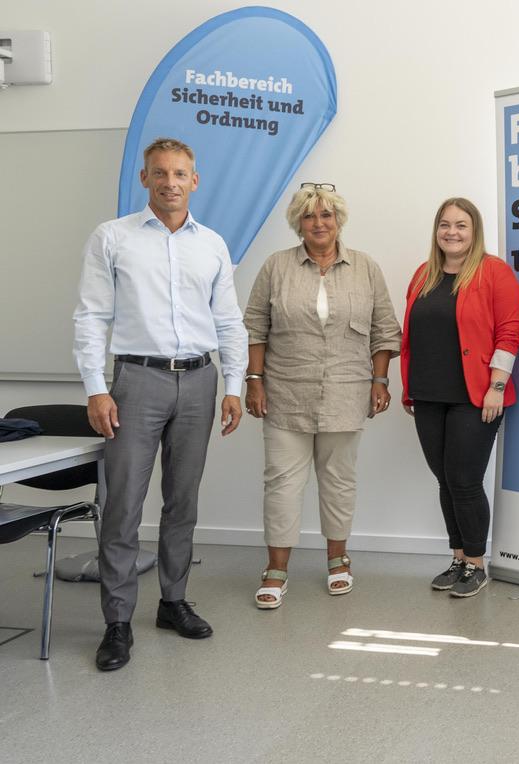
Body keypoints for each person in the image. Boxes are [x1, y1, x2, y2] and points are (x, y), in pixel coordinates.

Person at [73, 137, 248, 671]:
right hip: (136, 381)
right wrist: (95, 387)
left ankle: (172, 602)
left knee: (183, 501)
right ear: (145, 179)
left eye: (180, 173)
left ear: (195, 180)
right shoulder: (113, 238)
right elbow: (90, 316)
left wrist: (235, 384)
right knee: (123, 504)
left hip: (199, 382)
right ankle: (118, 622)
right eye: (160, 173)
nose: (170, 182)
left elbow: (228, 321)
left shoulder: (212, 244)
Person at [243, 183, 401, 609]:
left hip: (347, 393)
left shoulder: (365, 268)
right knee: (281, 483)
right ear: (299, 222)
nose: (319, 223)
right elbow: (256, 325)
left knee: (339, 481)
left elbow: (385, 330)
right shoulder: (276, 267)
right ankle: (275, 569)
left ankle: (338, 560)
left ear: (338, 221)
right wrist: (253, 379)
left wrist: (380, 381)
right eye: (310, 216)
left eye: (326, 215)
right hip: (284, 393)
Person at [401, 197, 519, 598]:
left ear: (475, 231)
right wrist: (408, 387)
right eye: (445, 225)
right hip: (428, 394)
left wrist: (497, 386)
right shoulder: (423, 275)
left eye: (461, 225)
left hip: (475, 396)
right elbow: (411, 336)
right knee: (444, 480)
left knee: (465, 481)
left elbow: (510, 331)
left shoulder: (494, 273)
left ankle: (476, 563)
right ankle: (457, 557)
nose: (451, 232)